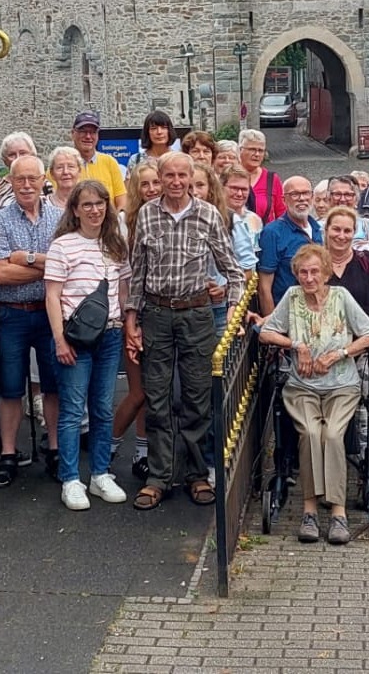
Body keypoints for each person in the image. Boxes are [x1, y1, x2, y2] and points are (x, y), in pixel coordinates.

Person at [124, 152, 244, 510]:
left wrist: (234, 306)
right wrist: (132, 318)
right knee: (157, 397)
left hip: (195, 314)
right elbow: (137, 273)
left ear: (192, 178)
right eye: (169, 176)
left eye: (182, 176)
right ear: (159, 178)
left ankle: (195, 474)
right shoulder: (147, 214)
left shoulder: (208, 214)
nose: (176, 182)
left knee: (196, 396)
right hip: (157, 313)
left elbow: (233, 270)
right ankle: (158, 477)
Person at [259, 244, 369, 545]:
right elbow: (265, 332)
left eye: (315, 271)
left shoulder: (340, 297)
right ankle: (310, 511)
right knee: (312, 434)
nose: (309, 278)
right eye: (303, 272)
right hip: (302, 387)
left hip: (342, 385)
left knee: (333, 435)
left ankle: (339, 513)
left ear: (326, 272)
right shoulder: (292, 297)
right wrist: (296, 346)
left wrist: (340, 353)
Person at [45, 180, 130, 510]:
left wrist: (124, 321)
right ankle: (70, 479)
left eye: (100, 204)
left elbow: (122, 290)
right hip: (75, 337)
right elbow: (52, 296)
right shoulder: (62, 246)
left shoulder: (115, 245)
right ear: (75, 210)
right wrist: (59, 339)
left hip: (109, 334)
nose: (95, 210)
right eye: (87, 205)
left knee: (103, 407)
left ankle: (100, 474)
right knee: (72, 409)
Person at [0, 154, 63, 487]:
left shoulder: (60, 218)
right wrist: (44, 263)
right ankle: (8, 454)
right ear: (11, 182)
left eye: (32, 178)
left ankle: (56, 451)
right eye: (20, 180)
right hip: (11, 314)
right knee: (11, 387)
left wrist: (24, 259)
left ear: (44, 178)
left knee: (53, 385)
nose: (27, 185)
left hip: (49, 312)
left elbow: (65, 266)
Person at [111, 161, 164, 481]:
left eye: (156, 182)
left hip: (160, 312)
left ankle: (142, 452)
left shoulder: (167, 218)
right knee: (138, 391)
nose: (152, 189)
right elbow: (121, 276)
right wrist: (129, 317)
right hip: (132, 311)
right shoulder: (123, 223)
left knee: (152, 390)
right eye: (145, 184)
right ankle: (110, 447)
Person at [193, 162, 250, 330]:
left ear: (211, 188)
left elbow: (247, 269)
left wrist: (224, 288)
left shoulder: (229, 219)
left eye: (200, 185)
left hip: (217, 307)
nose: (194, 192)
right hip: (183, 310)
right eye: (189, 186)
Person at [258, 176, 322, 315]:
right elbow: (264, 287)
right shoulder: (273, 233)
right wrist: (271, 326)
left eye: (306, 193)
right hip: (287, 314)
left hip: (319, 311)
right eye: (294, 194)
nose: (302, 198)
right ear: (283, 199)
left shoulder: (320, 229)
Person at [70, 111, 127, 210]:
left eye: (92, 132)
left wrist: (117, 220)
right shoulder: (63, 166)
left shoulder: (109, 162)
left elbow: (122, 200)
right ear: (73, 133)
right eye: (83, 131)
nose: (88, 136)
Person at [238, 129, 285, 223]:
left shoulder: (272, 179)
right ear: (240, 150)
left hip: (266, 235)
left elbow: (282, 213)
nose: (257, 154)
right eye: (252, 149)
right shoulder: (230, 176)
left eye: (261, 150)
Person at [221, 163, 264, 250]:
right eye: (234, 188)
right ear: (221, 187)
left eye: (244, 189)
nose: (239, 194)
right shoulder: (213, 217)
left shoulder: (255, 220)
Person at [326, 175, 369, 247]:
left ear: (356, 199)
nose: (342, 199)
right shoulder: (318, 227)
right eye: (337, 194)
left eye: (348, 195)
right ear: (329, 198)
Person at [0, 132, 38, 209]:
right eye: (12, 155)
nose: (18, 158)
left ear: (32, 155)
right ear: (5, 160)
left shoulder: (44, 185)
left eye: (23, 153)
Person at [47, 145, 82, 210]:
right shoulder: (44, 205)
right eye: (59, 167)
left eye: (70, 166)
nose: (65, 172)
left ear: (79, 171)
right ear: (52, 173)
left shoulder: (88, 203)